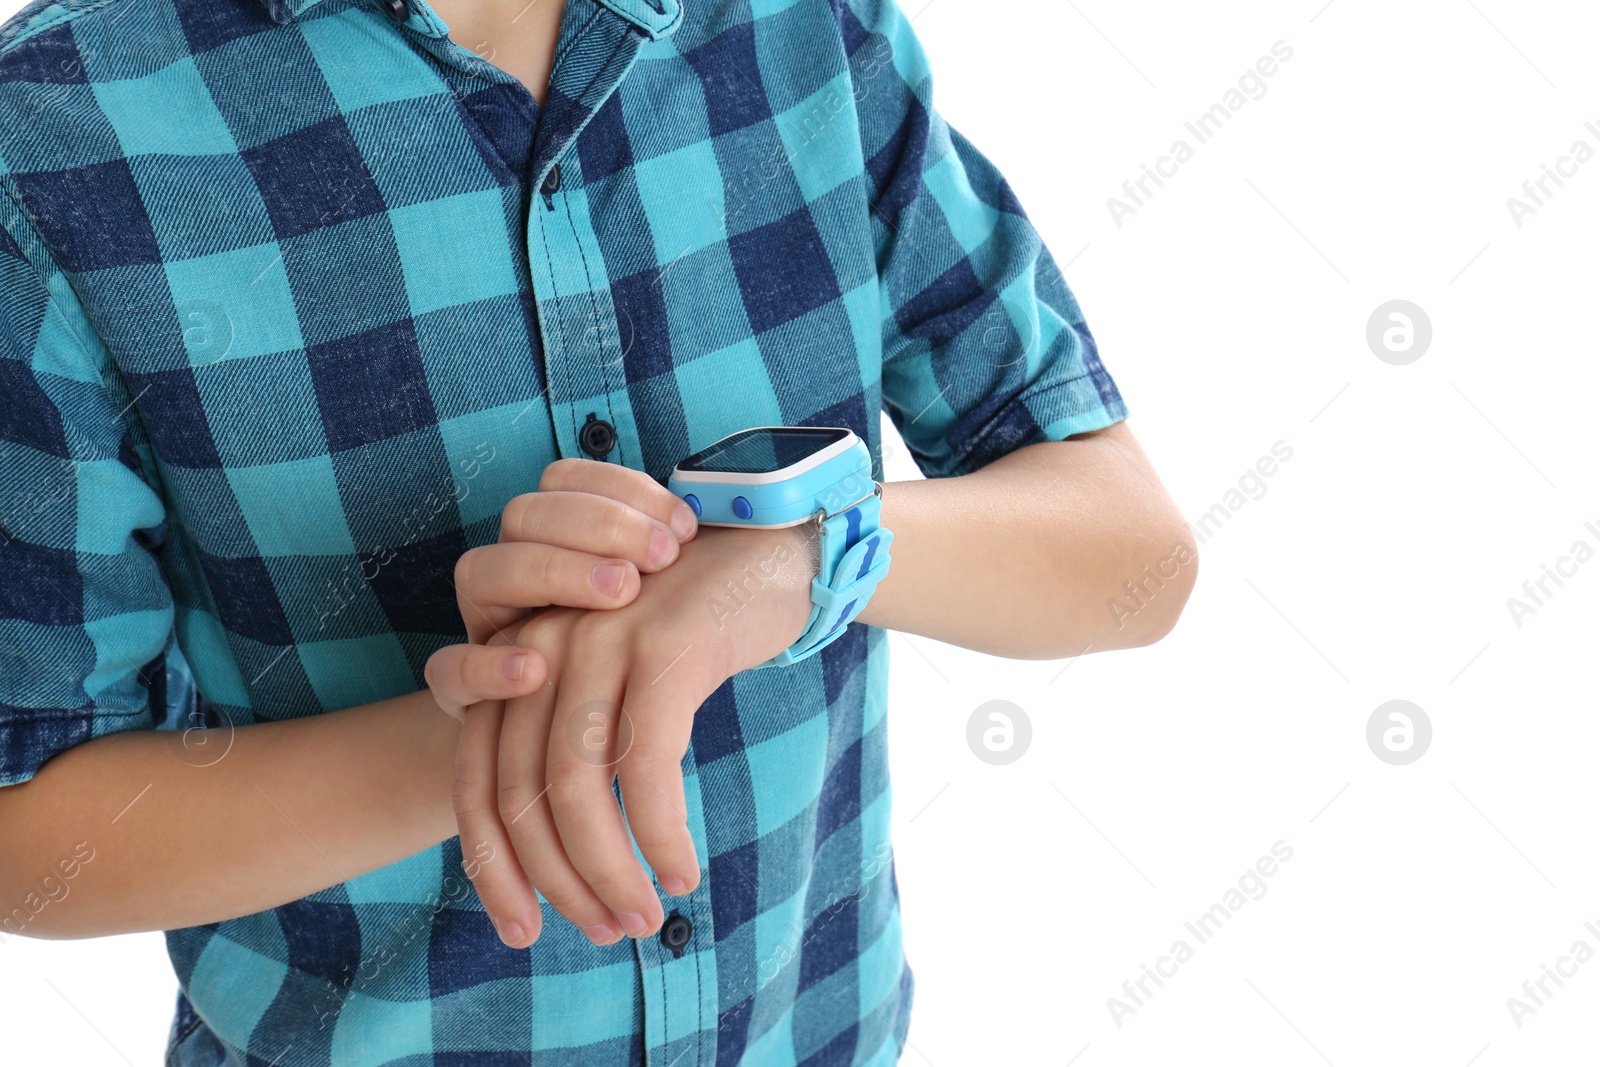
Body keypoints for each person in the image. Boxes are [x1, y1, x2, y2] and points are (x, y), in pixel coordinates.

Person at [0, 0, 1196, 1062]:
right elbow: (26, 821)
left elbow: (1133, 556)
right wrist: (526, 720)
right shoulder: (55, 132)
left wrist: (791, 564)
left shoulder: (808, 26)